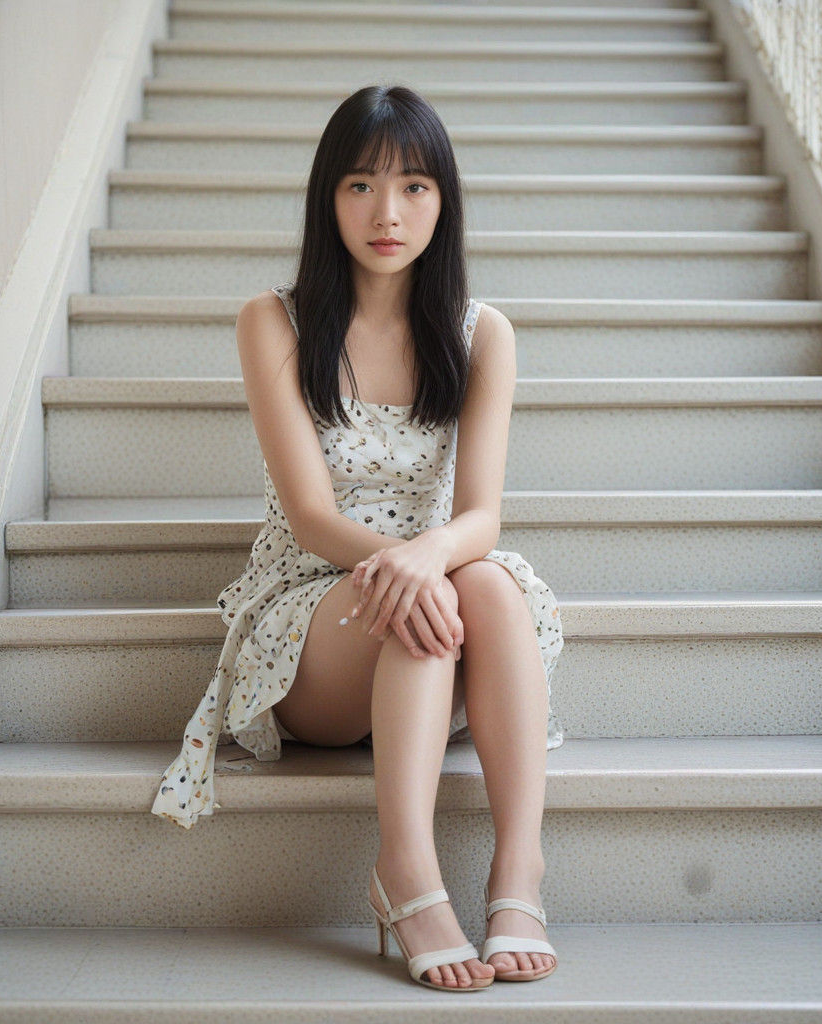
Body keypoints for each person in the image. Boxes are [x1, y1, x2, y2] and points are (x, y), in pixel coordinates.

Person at [151, 84, 564, 991]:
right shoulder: (275, 321)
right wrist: (409, 568)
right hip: (314, 618)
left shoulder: (483, 334)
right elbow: (308, 514)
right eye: (361, 186)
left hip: (440, 597)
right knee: (417, 596)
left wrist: (426, 556)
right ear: (327, 197)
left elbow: (482, 515)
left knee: (487, 583)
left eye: (414, 186)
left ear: (443, 201)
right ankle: (405, 871)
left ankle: (519, 870)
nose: (388, 214)